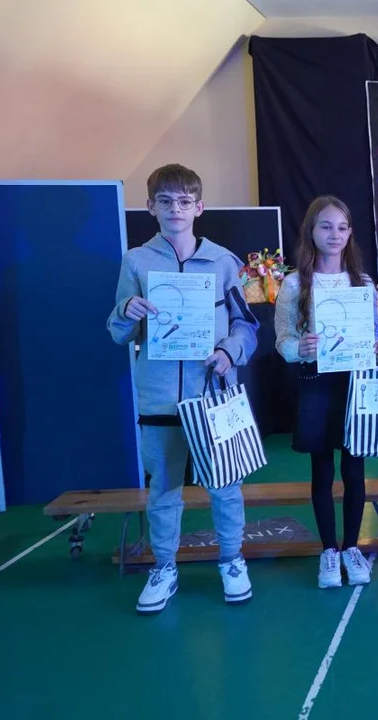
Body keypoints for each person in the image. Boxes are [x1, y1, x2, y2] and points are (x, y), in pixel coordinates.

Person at [107, 163, 260, 614]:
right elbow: (117, 333)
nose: (176, 209)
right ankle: (164, 567)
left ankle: (231, 560)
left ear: (199, 207)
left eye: (184, 201)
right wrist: (126, 310)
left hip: (213, 395)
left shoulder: (223, 261)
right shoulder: (136, 262)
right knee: (163, 489)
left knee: (225, 484)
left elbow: (247, 325)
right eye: (166, 201)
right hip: (158, 398)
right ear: (150, 207)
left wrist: (230, 351)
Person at [274, 195, 378, 588]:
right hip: (317, 384)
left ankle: (352, 547)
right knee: (322, 469)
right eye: (326, 226)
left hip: (355, 384)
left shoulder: (363, 283)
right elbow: (283, 341)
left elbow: (373, 335)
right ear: (311, 230)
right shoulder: (295, 284)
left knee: (355, 469)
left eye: (342, 227)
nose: (335, 234)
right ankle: (329, 550)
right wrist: (300, 348)